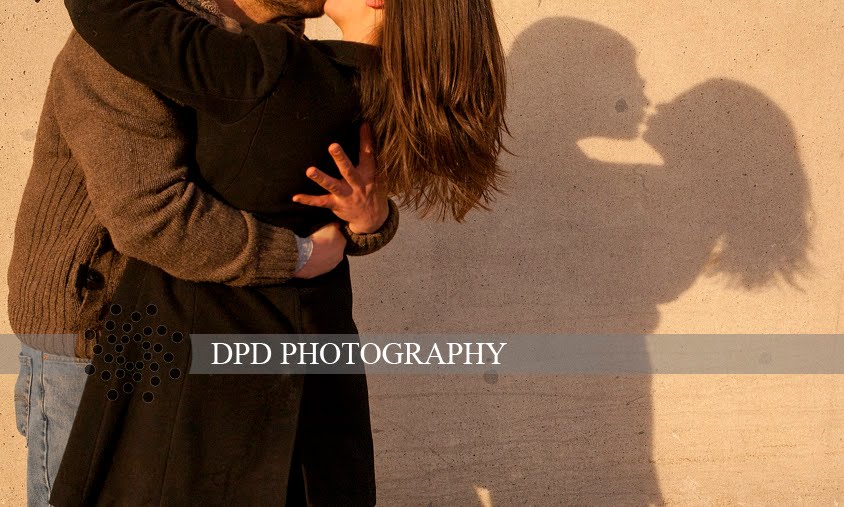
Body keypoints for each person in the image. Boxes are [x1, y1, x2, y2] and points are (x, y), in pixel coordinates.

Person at [51, 0, 508, 505]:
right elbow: (329, 204)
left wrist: (303, 252)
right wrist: (364, 224)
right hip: (306, 384)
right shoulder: (393, 99)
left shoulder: (280, 68)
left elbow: (109, 14)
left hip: (192, 375)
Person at [8, 1, 398, 506]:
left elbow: (309, 200)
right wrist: (296, 255)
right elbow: (152, 215)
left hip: (199, 341)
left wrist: (370, 220)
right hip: (92, 339)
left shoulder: (287, 55)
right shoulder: (131, 44)